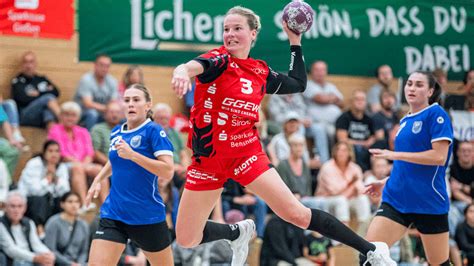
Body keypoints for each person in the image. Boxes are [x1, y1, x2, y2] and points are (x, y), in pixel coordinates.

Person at [171, 6, 395, 266]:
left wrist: (295, 41)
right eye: (226, 29)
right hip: (208, 159)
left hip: (246, 154)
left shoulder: (259, 72)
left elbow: (298, 84)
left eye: (237, 28)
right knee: (186, 238)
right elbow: (195, 65)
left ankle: (371, 251)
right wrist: (181, 71)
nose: (230, 34)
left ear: (253, 34)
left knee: (296, 214)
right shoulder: (220, 60)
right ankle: (238, 232)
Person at [364, 71, 454, 265]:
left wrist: (394, 155)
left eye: (419, 85)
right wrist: (386, 181)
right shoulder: (405, 120)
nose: (412, 88)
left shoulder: (436, 114)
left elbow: (439, 157)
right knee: (369, 255)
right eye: (410, 84)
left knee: (439, 263)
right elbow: (409, 165)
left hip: (428, 202)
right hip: (397, 199)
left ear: (430, 91)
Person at [85, 84, 175, 266]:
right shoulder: (117, 131)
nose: (130, 104)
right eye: (126, 100)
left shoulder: (154, 131)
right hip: (114, 213)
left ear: (148, 105)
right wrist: (98, 179)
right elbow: (115, 159)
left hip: (146, 216)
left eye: (136, 100)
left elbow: (168, 170)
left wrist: (133, 155)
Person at [48, 101, 106, 209]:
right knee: (77, 168)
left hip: (83, 163)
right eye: (66, 115)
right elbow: (59, 152)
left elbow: (90, 152)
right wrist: (80, 164)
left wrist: (85, 163)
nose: (70, 118)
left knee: (99, 169)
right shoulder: (55, 130)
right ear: (61, 116)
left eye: (73, 115)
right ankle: (84, 203)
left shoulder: (83, 131)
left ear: (78, 118)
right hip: (64, 164)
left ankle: (106, 206)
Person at [316, 142, 371, 233]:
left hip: (347, 199)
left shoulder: (355, 168)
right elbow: (334, 191)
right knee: (341, 200)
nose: (341, 153)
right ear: (334, 152)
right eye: (338, 150)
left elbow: (360, 189)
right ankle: (343, 234)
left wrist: (353, 188)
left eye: (344, 150)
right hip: (326, 199)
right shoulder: (327, 167)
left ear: (349, 153)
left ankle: (364, 233)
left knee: (363, 199)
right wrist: (351, 184)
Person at [18, 140, 70, 235]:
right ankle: (40, 231)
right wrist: (48, 179)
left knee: (62, 202)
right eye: (50, 151)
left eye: (57, 151)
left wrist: (56, 179)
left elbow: (65, 192)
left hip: (49, 203)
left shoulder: (61, 167)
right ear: (44, 153)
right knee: (40, 200)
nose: (54, 154)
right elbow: (34, 191)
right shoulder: (34, 164)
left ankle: (59, 232)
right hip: (29, 201)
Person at [0, 190, 55, 266]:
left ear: (25, 208)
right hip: (12, 260)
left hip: (30, 258)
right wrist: (35, 258)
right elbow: (10, 250)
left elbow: (36, 244)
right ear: (5, 207)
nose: (16, 210)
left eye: (20, 206)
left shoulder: (29, 222)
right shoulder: (1, 224)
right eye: (13, 206)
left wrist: (48, 254)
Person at [11, 51, 61, 129]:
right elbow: (22, 99)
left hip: (40, 116)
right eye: (25, 62)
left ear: (35, 64)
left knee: (47, 112)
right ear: (22, 65)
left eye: (31, 62)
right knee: (48, 98)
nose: (28, 65)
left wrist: (38, 93)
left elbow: (56, 92)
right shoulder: (17, 81)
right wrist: (43, 96)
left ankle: (54, 138)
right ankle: (64, 120)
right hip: (24, 116)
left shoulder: (41, 79)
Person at [336, 90, 382, 171]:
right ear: (352, 102)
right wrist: (363, 143)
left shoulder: (369, 118)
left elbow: (377, 136)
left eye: (362, 99)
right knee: (358, 149)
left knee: (380, 144)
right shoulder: (344, 118)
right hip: (351, 149)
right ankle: (363, 173)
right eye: (357, 99)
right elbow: (342, 140)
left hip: (366, 149)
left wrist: (371, 140)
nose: (360, 102)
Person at [74, 54, 118, 130]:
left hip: (103, 113)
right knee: (92, 113)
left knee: (120, 116)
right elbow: (88, 104)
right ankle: (90, 140)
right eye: (101, 65)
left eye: (107, 66)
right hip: (83, 113)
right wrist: (107, 109)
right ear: (95, 65)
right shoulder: (86, 79)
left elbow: (113, 102)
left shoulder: (112, 81)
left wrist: (111, 111)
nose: (104, 69)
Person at [44, 192, 89, 266]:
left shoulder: (83, 225)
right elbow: (51, 249)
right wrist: (70, 264)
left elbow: (83, 251)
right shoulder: (53, 222)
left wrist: (79, 264)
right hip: (59, 263)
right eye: (70, 202)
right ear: (62, 204)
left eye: (77, 202)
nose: (74, 205)